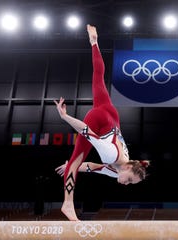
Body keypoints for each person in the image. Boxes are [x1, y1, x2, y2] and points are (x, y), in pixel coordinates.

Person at [54, 24, 150, 221]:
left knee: (98, 78)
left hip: (112, 117)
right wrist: (65, 117)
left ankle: (94, 42)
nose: (127, 185)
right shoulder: (112, 154)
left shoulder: (118, 170)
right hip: (98, 122)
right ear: (128, 168)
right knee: (74, 160)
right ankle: (68, 203)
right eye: (130, 180)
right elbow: (87, 131)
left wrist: (74, 166)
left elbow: (91, 167)